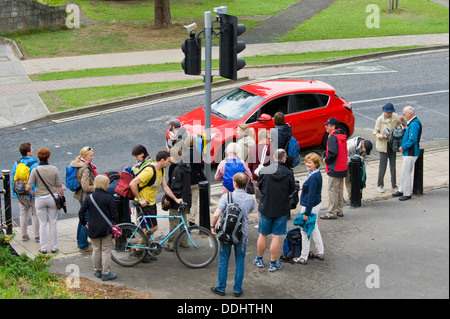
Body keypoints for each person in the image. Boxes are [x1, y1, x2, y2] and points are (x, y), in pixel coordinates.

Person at [129, 150, 182, 262]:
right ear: (162, 160)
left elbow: (165, 187)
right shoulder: (149, 170)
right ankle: (139, 250)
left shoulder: (161, 170)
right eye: (168, 161)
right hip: (144, 204)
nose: (169, 163)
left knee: (149, 229)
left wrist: (175, 199)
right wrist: (140, 199)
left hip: (151, 203)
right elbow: (132, 183)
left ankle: (142, 250)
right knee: (152, 228)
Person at [210, 172, 255, 297]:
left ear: (234, 183)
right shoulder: (250, 198)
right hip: (242, 233)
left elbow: (216, 214)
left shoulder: (226, 197)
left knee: (224, 260)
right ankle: (237, 290)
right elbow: (250, 211)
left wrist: (213, 227)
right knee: (240, 260)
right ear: (245, 185)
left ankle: (221, 288)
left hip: (226, 233)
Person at [253, 149, 295, 272]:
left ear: (273, 157)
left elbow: (260, 186)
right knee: (276, 236)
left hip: (266, 206)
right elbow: (292, 189)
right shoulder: (288, 172)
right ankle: (273, 262)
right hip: (281, 208)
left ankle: (259, 259)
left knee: (263, 233)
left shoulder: (265, 170)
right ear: (284, 158)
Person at [79, 175, 119, 281]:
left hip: (93, 227)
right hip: (106, 228)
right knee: (106, 250)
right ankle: (106, 273)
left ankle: (97, 270)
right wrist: (114, 223)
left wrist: (85, 223)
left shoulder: (89, 197)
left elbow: (81, 212)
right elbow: (115, 214)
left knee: (96, 249)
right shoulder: (108, 197)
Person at [26, 148, 65, 254]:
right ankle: (54, 247)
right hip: (52, 198)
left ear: (39, 158)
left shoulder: (35, 170)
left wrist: (34, 194)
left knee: (42, 224)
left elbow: (28, 187)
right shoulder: (54, 169)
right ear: (48, 158)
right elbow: (59, 185)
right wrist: (63, 198)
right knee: (53, 222)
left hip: (40, 198)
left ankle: (43, 248)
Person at [293, 152, 324, 265]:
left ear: (315, 164)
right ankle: (320, 252)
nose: (307, 164)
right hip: (316, 204)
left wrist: (306, 213)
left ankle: (303, 257)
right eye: (306, 162)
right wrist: (303, 187)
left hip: (310, 206)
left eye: (310, 162)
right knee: (314, 228)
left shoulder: (313, 177)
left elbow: (311, 196)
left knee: (304, 231)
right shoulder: (314, 174)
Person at [373, 103, 406, 193]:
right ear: (385, 112)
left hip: (392, 144)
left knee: (393, 165)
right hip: (383, 145)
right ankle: (380, 185)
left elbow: (404, 124)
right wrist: (382, 136)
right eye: (388, 113)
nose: (390, 114)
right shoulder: (380, 120)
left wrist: (402, 119)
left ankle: (394, 184)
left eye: (391, 112)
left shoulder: (395, 117)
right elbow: (375, 133)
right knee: (383, 166)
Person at [69, 147, 97, 253]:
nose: (92, 157)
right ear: (84, 156)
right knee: (87, 220)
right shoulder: (85, 169)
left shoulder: (80, 164)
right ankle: (83, 245)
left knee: (82, 219)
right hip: (85, 197)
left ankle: (80, 240)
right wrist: (97, 186)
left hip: (81, 196)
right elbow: (86, 187)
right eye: (90, 155)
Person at [165, 146, 192, 251]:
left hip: (177, 200)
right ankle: (184, 242)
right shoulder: (186, 166)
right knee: (183, 222)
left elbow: (175, 187)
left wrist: (168, 198)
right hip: (185, 198)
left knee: (174, 222)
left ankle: (172, 244)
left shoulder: (176, 169)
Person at [11, 142, 39, 242]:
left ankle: (24, 235)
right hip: (31, 193)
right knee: (35, 213)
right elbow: (36, 180)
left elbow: (13, 178)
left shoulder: (17, 163)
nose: (33, 150)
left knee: (23, 212)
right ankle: (37, 236)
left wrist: (15, 192)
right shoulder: (34, 164)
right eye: (31, 148)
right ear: (28, 152)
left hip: (20, 192)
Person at [393, 106, 422, 201]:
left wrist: (403, 147)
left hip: (411, 152)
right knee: (404, 172)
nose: (404, 115)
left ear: (410, 113)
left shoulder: (414, 124)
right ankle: (401, 190)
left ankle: (407, 193)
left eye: (404, 114)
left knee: (406, 173)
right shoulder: (413, 123)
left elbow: (412, 140)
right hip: (409, 152)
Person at [321, 117, 348, 220]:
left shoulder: (332, 137)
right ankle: (339, 210)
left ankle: (331, 212)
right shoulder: (342, 135)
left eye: (327, 125)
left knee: (332, 190)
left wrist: (326, 160)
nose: (326, 127)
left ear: (333, 126)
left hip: (334, 167)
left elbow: (333, 153)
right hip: (342, 167)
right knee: (340, 190)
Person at [183, 136, 206, 226]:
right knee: (194, 202)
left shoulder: (184, 154)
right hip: (195, 181)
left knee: (185, 201)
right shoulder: (198, 153)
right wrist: (204, 178)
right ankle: (192, 221)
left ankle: (184, 220)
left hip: (186, 182)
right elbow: (199, 169)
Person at [248, 129, 271, 205]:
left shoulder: (253, 148)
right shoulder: (269, 150)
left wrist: (251, 175)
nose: (270, 140)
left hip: (256, 177)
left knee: (259, 200)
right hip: (266, 178)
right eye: (268, 138)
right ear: (262, 138)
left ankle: (261, 216)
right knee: (268, 199)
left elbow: (250, 165)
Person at [345, 136, 373, 201]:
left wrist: (363, 168)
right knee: (349, 178)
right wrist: (352, 161)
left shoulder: (367, 148)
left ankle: (359, 195)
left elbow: (366, 158)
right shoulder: (352, 145)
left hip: (359, 163)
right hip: (348, 161)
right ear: (362, 146)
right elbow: (345, 155)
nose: (365, 152)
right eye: (365, 150)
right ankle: (351, 196)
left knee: (360, 179)